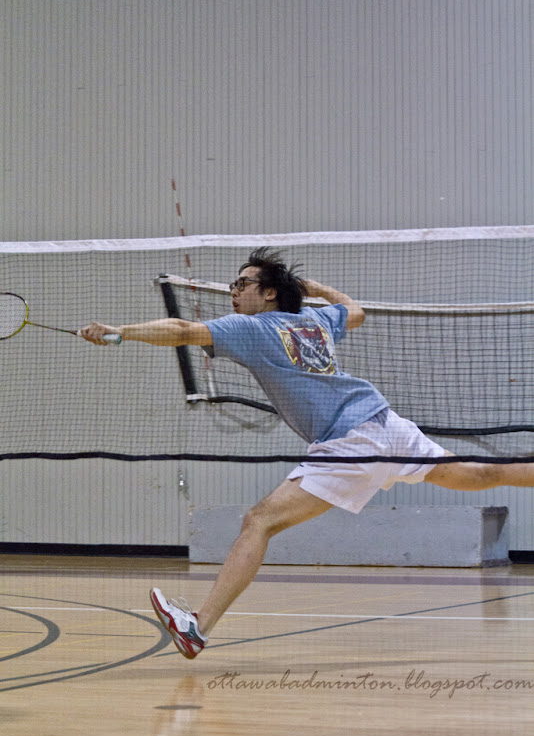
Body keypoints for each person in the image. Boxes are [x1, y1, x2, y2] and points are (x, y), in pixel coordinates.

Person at [81, 248, 534, 659]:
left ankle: (197, 626)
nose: (233, 291)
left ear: (269, 293)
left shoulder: (250, 328)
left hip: (350, 440)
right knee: (476, 475)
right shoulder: (316, 322)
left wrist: (121, 333)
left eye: (242, 283)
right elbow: (353, 311)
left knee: (260, 521)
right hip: (385, 422)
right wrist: (318, 291)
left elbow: (182, 330)